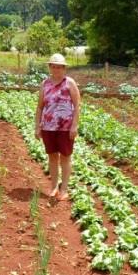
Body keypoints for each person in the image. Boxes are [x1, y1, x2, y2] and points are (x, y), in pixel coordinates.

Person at [34, 53, 81, 200]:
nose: (56, 69)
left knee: (65, 157)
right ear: (50, 67)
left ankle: (64, 189)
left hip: (66, 128)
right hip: (48, 127)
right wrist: (37, 126)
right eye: (53, 66)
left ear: (64, 68)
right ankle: (54, 186)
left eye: (59, 67)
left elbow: (77, 105)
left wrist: (74, 126)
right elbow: (40, 107)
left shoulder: (69, 83)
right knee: (52, 157)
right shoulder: (45, 84)